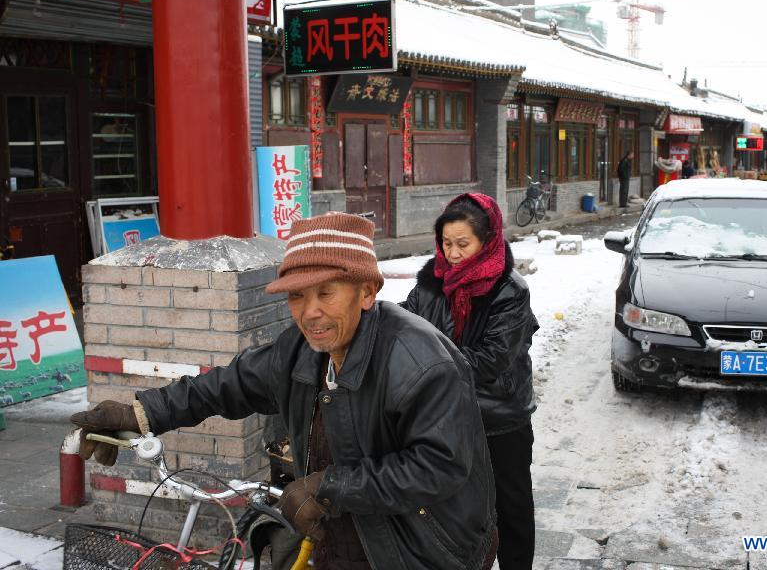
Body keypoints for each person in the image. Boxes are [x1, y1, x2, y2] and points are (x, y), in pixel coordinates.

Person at [70, 213, 498, 570]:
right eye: (296, 296)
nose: (310, 312)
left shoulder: (421, 362)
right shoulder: (300, 349)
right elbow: (227, 386)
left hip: (418, 547)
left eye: (326, 293)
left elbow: (439, 466)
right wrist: (138, 414)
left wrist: (329, 486)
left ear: (367, 291)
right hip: (338, 534)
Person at [400, 193, 539, 570]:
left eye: (463, 244)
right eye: (447, 244)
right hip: (445, 419)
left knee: (510, 510)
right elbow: (405, 325)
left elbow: (492, 360)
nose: (454, 254)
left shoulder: (509, 290)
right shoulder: (432, 282)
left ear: (487, 239)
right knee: (452, 512)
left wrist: (428, 368)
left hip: (498, 419)